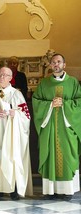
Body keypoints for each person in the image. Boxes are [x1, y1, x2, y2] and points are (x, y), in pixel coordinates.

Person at [0, 66, 33, 200]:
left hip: (12, 133)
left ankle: (13, 188)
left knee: (11, 157)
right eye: (0, 75)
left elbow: (26, 115)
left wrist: (16, 113)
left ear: (10, 78)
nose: (2, 77)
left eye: (5, 75)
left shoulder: (17, 94)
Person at [32, 53, 81, 201]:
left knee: (67, 155)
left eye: (59, 62)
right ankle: (50, 191)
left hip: (67, 128)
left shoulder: (73, 82)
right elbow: (36, 101)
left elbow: (79, 101)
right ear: (50, 65)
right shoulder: (43, 83)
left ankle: (67, 190)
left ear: (64, 65)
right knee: (50, 154)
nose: (56, 64)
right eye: (53, 62)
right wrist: (49, 104)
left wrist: (65, 104)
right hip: (49, 129)